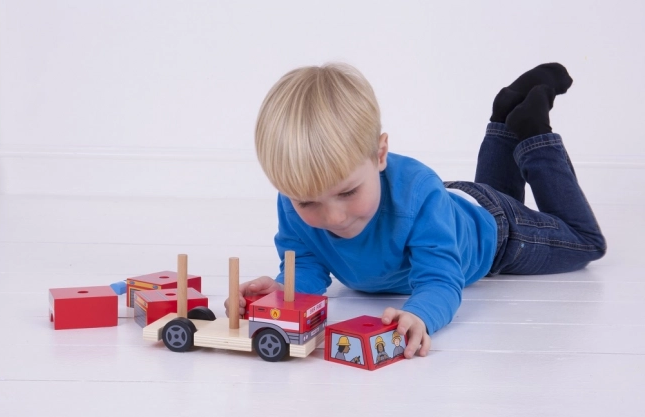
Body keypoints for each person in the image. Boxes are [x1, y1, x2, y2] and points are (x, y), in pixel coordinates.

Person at [224, 62, 607, 359]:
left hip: (499, 234)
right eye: (307, 202)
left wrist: (421, 314)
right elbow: (307, 265)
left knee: (586, 242)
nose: (335, 217)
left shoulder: (418, 196)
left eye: (347, 192)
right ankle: (505, 115)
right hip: (451, 207)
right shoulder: (293, 201)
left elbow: (440, 280)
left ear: (380, 154)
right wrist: (284, 293)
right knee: (493, 191)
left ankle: (534, 134)